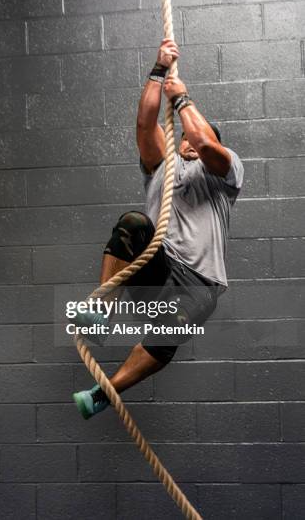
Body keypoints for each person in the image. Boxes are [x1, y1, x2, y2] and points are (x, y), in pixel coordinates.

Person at [72, 39, 244, 419]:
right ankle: (101, 310)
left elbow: (203, 139)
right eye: (185, 140)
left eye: (197, 140)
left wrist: (182, 100)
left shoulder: (225, 174)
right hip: (158, 268)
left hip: (198, 284)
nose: (191, 144)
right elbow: (144, 123)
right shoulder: (163, 169)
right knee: (133, 223)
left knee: (164, 339)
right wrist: (157, 70)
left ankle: (105, 394)